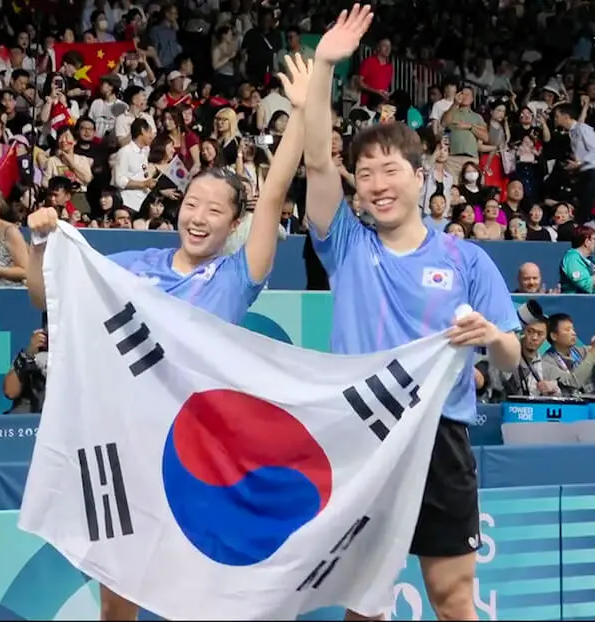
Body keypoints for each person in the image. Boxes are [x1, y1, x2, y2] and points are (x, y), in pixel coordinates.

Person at [26, 54, 312, 622]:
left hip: (202, 453)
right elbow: (44, 299)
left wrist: (299, 113)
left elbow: (275, 193)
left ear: (234, 226)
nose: (198, 216)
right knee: (118, 597)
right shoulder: (133, 266)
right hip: (130, 446)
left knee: (205, 593)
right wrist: (38, 246)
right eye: (191, 204)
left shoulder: (235, 277)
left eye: (215, 210)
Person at [303, 6, 521, 621]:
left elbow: (508, 355)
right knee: (365, 604)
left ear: (420, 177)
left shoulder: (467, 260)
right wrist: (324, 66)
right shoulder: (345, 244)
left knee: (453, 599)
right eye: (365, 173)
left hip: (439, 440)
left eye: (390, 169)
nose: (376, 182)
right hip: (362, 437)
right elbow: (318, 161)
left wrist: (489, 335)